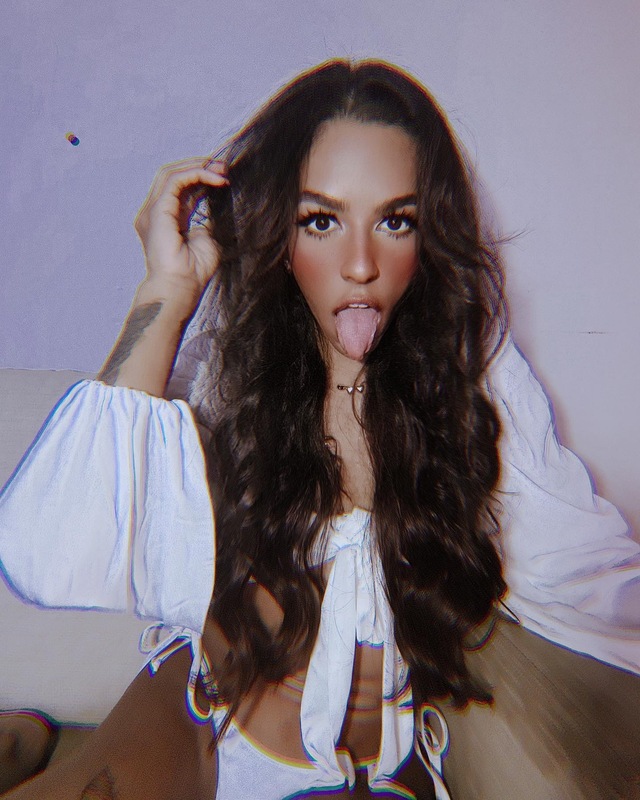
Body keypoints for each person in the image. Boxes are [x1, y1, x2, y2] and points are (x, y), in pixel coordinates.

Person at [0, 59, 639, 800]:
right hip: (197, 718)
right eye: (321, 221)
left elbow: (583, 573)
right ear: (280, 230)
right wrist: (167, 290)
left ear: (429, 235)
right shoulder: (228, 372)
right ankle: (24, 735)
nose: (360, 265)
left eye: (395, 221)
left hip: (345, 773)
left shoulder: (473, 378)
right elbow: (54, 551)